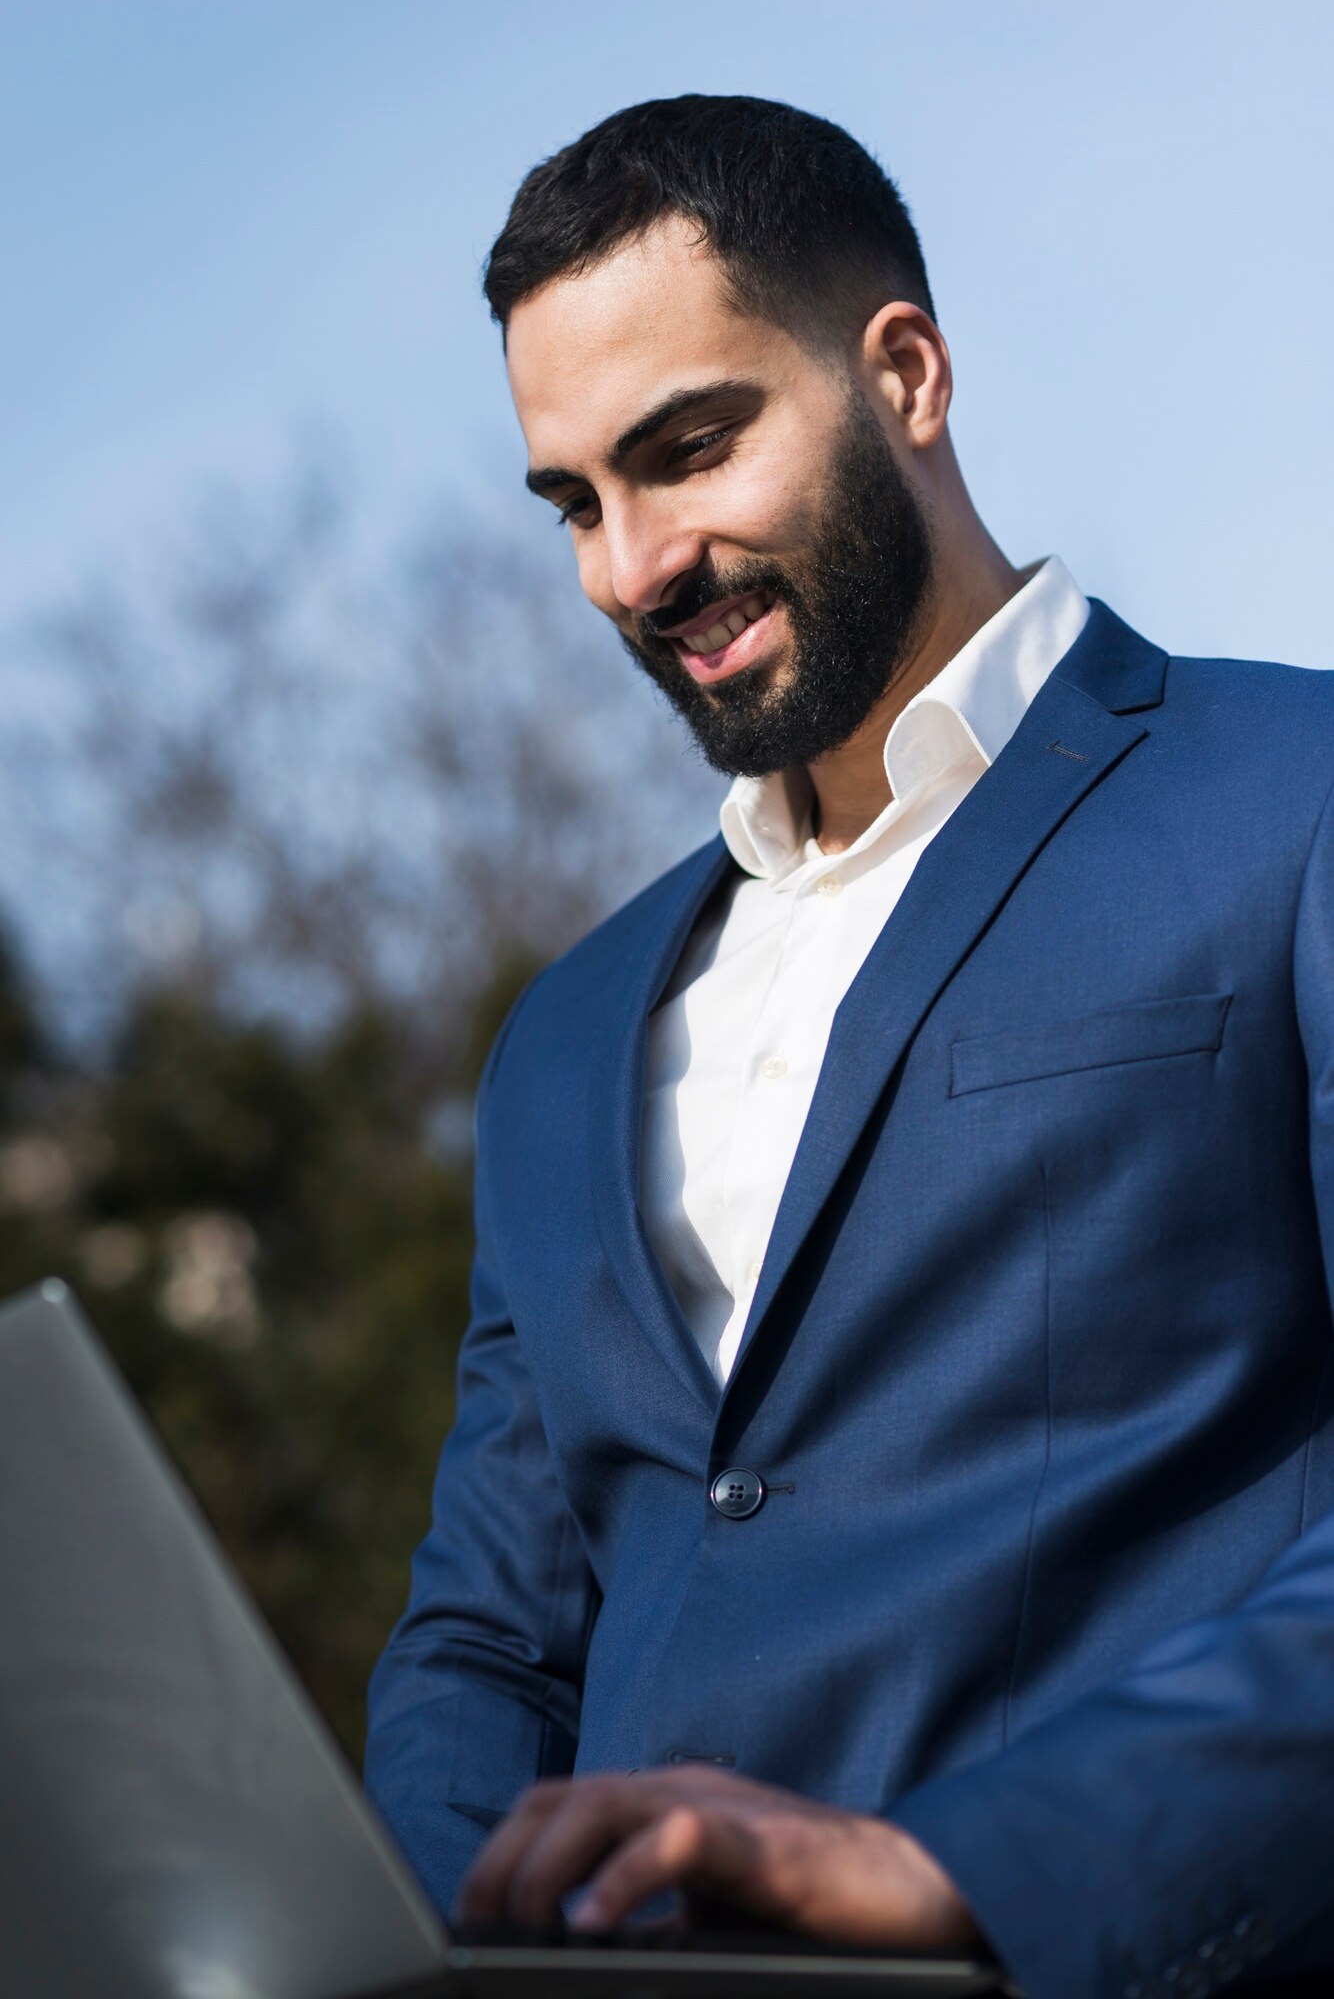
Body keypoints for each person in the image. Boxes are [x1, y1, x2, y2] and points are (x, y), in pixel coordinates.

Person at [364, 96, 1334, 1999]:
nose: (630, 567)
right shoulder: (563, 1039)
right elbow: (490, 1639)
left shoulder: (1294, 800)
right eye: (575, 501)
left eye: (687, 450)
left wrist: (964, 1870)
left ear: (903, 374)